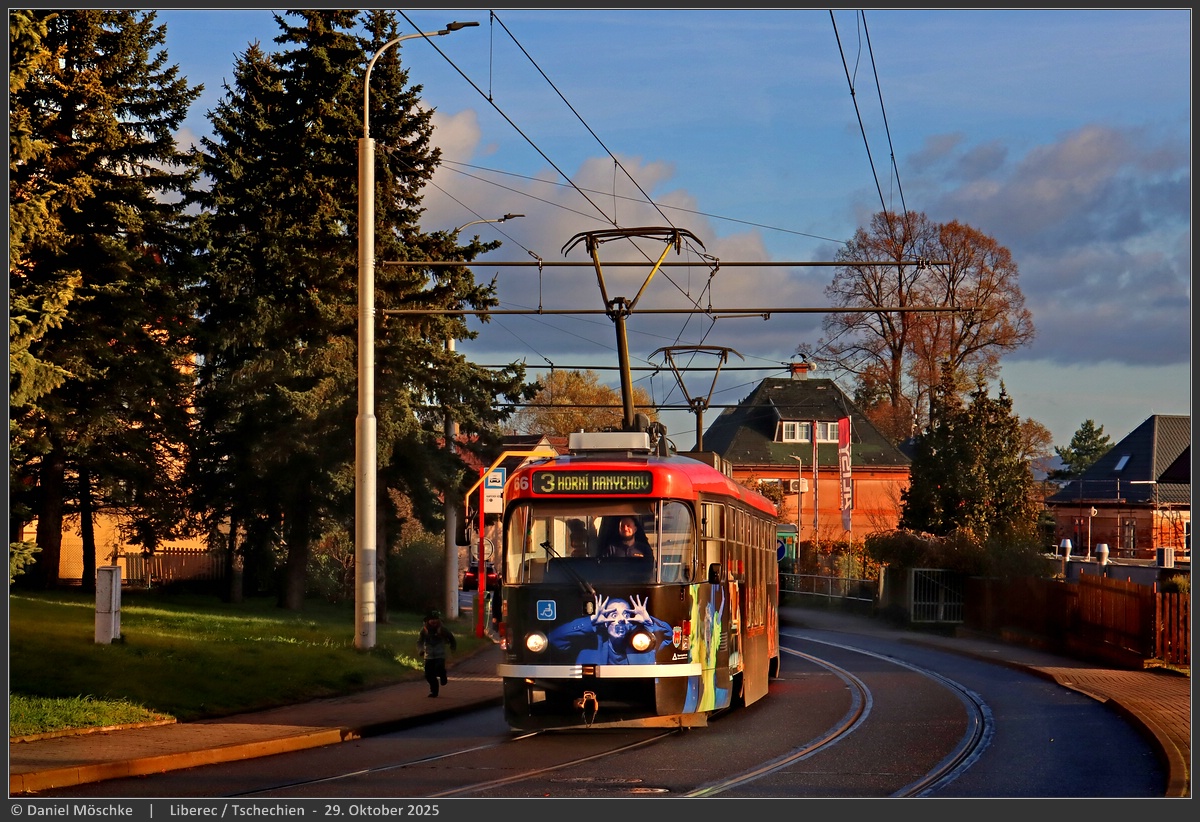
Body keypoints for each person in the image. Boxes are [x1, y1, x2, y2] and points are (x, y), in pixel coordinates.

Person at [547, 593, 672, 664]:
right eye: (614, 615)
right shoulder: (590, 641)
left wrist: (648, 622)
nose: (621, 619)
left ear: (630, 622)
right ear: (605, 623)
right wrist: (591, 622)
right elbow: (554, 637)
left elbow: (669, 635)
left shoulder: (644, 640)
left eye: (626, 614)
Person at [416, 609, 457, 698]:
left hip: (440, 654)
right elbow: (419, 641)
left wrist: (453, 647)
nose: (433, 621)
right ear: (427, 620)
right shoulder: (424, 630)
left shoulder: (442, 629)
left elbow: (451, 638)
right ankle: (434, 691)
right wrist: (420, 650)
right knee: (429, 675)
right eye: (431, 619)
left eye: (435, 619)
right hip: (428, 655)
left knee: (439, 668)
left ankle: (443, 675)